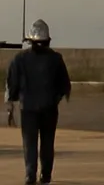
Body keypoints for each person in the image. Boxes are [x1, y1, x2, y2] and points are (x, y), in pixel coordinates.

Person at [4, 19, 71, 185]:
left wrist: (10, 104)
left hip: (28, 108)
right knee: (47, 143)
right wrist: (56, 98)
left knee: (30, 142)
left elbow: (12, 84)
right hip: (49, 108)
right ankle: (45, 175)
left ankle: (30, 175)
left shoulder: (19, 60)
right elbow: (64, 85)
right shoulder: (56, 59)